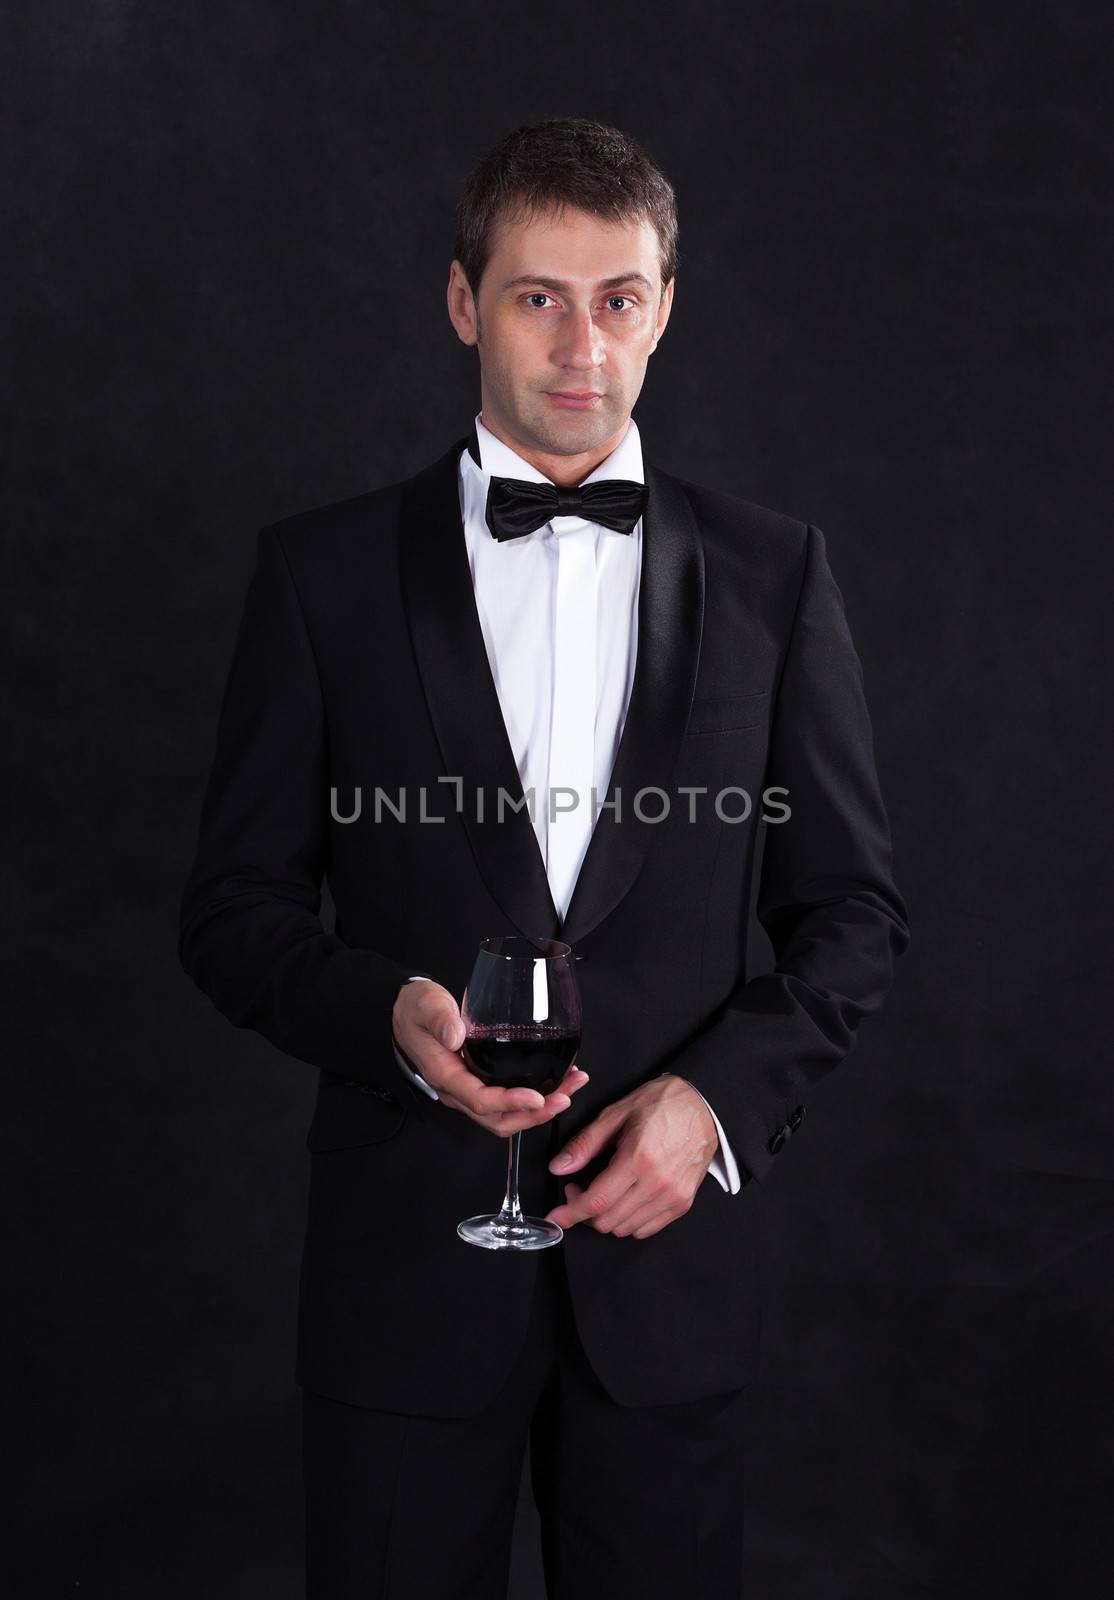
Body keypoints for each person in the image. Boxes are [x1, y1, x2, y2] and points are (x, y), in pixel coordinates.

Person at [178, 116, 910, 1599]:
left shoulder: (778, 575)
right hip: (403, 1277)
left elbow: (848, 914)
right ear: (462, 303)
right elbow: (235, 908)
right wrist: (379, 1016)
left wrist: (706, 1111)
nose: (582, 345)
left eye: (618, 298)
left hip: (666, 1293)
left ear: (663, 308)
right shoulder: (317, 575)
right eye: (536, 296)